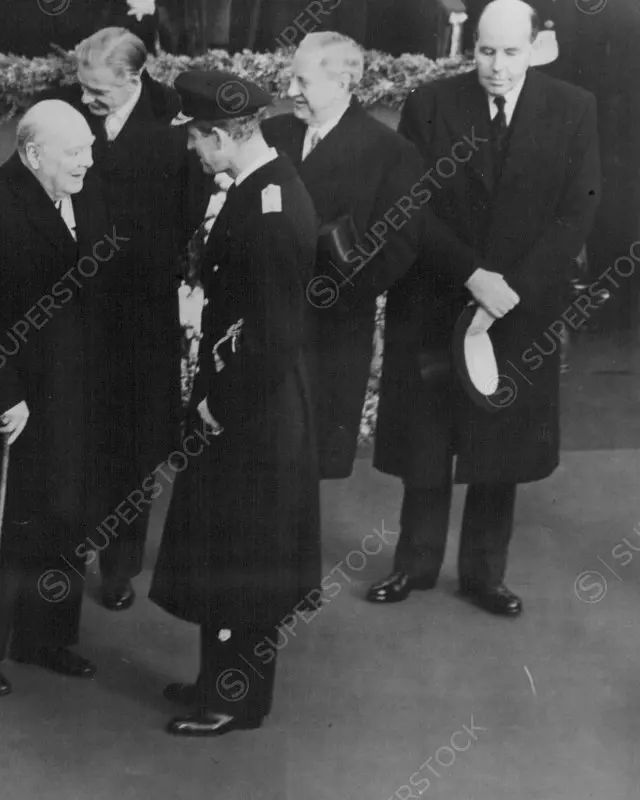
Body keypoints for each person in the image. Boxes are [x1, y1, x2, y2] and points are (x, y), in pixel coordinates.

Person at [368, 0, 601, 616]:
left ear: (537, 47)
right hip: (440, 293)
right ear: (472, 46)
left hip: (522, 309)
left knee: (502, 438)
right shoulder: (430, 105)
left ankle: (483, 575)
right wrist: (473, 276)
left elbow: (577, 213)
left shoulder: (573, 108)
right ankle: (413, 565)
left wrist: (511, 289)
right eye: (485, 52)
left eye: (510, 52)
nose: (496, 67)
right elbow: (411, 203)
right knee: (428, 438)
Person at [149, 71, 321, 736]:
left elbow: (275, 338)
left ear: (222, 135)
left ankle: (235, 700)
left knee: (246, 554)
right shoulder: (258, 188)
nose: (193, 149)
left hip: (254, 410)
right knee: (230, 548)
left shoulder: (271, 210)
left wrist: (221, 406)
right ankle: (215, 681)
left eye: (196, 137)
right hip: (247, 398)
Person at [0, 99, 106, 695]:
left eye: (89, 146)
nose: (88, 160)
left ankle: (48, 638)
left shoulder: (76, 193)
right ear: (33, 154)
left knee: (64, 519)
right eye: (75, 151)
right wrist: (4, 394)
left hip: (70, 393)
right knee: (3, 532)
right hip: (9, 405)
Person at [58, 27, 204, 611]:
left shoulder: (174, 117)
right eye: (83, 87)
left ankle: (120, 566)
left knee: (135, 441)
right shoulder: (66, 107)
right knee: (76, 432)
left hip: (142, 310)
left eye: (98, 91)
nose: (87, 100)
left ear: (133, 79)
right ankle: (67, 550)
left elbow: (191, 211)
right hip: (73, 303)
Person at [262, 32, 423, 481]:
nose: (290, 92)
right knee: (258, 457)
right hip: (265, 323)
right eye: (290, 78)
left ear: (344, 82)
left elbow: (399, 247)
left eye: (302, 81)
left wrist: (327, 293)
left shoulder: (390, 152)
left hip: (331, 332)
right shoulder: (270, 134)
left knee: (309, 461)